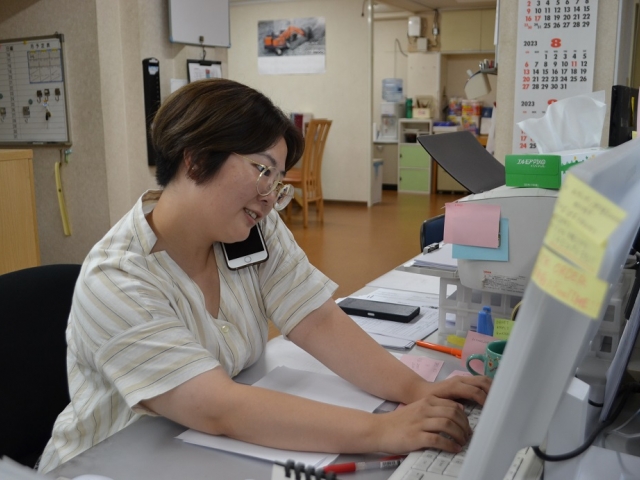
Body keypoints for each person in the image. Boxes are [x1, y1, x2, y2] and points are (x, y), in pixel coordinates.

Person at [39, 78, 491, 473]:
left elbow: (317, 320)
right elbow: (217, 407)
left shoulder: (250, 229)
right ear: (195, 160)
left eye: (277, 180)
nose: (271, 197)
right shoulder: (118, 279)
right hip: (107, 461)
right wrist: (384, 430)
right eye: (262, 170)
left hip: (195, 448)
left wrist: (418, 390)